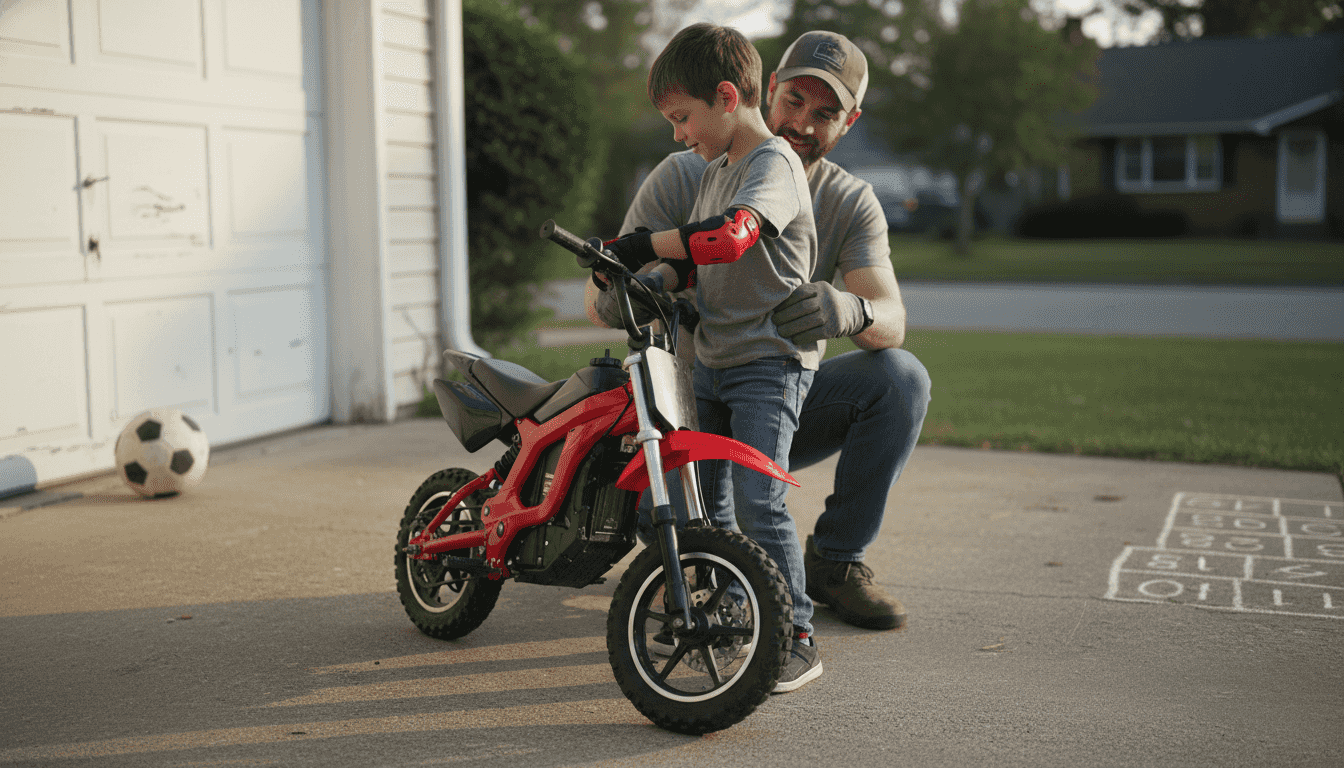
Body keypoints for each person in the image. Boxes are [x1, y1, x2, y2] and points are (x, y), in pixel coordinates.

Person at [587, 31, 932, 635]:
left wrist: (851, 311)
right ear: (766, 88)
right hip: (691, 396)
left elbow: (894, 318)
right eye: (794, 99)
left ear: (849, 122)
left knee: (899, 379)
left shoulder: (851, 201)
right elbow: (599, 299)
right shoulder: (690, 170)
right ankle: (723, 586)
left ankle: (831, 567)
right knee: (663, 521)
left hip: (772, 387)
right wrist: (647, 285)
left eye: (826, 113)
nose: (801, 122)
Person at [595, 22, 824, 693]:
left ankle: (797, 634)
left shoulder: (772, 165)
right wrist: (648, 278)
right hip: (715, 361)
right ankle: (735, 609)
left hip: (767, 363)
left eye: (682, 118)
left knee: (760, 500)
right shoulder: (715, 172)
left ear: (727, 96)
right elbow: (699, 268)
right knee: (711, 506)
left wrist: (642, 245)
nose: (677, 135)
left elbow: (727, 241)